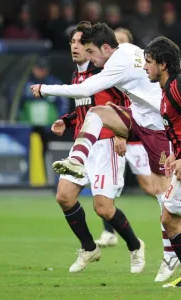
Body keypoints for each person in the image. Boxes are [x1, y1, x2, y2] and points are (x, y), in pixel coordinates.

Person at [30, 23, 178, 281]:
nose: (90, 56)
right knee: (98, 114)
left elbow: (86, 90)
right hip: (138, 119)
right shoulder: (129, 51)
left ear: (106, 48)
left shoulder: (117, 65)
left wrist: (45, 89)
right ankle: (77, 159)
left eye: (91, 51)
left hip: (158, 127)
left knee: (163, 200)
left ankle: (170, 253)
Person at [52, 21, 143, 274]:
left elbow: (125, 100)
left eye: (81, 43)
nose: (75, 47)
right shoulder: (77, 74)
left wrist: (121, 133)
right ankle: (89, 247)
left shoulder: (104, 70)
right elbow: (84, 107)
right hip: (82, 144)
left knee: (103, 208)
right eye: (72, 42)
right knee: (64, 196)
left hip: (105, 144)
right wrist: (67, 120)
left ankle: (135, 247)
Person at [96, 28, 153, 247]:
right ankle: (108, 232)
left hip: (137, 137)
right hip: (115, 136)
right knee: (103, 183)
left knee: (151, 187)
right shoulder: (105, 71)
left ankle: (172, 214)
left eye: (121, 41)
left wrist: (122, 133)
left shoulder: (134, 72)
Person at [144, 36, 181, 288]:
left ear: (163, 64)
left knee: (168, 218)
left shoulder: (177, 87)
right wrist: (173, 154)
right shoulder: (166, 91)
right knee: (168, 218)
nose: (145, 67)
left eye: (148, 62)